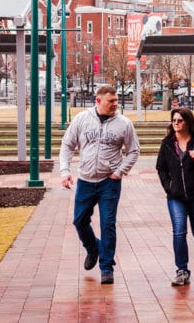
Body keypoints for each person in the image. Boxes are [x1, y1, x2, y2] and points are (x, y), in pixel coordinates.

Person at [60, 84, 141, 285]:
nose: (116, 104)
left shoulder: (124, 124)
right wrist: (64, 171)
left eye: (116, 100)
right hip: (86, 181)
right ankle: (93, 248)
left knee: (108, 224)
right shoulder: (81, 119)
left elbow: (134, 151)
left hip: (109, 182)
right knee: (79, 221)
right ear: (98, 101)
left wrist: (119, 172)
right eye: (111, 101)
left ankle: (106, 267)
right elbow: (67, 145)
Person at [155, 107, 194, 286]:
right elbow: (161, 167)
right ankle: (182, 270)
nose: (176, 123)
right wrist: (168, 187)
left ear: (188, 123)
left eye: (180, 120)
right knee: (179, 231)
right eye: (174, 120)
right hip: (176, 197)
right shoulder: (168, 143)